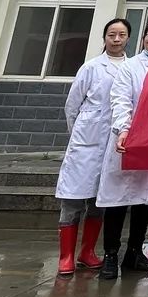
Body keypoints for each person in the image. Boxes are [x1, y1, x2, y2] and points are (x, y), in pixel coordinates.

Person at [96, 20, 148, 280]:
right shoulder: (129, 67)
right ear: (143, 38)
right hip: (128, 139)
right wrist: (124, 129)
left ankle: (135, 251)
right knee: (116, 200)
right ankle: (111, 254)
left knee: (144, 200)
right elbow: (120, 100)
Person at [54, 18, 130, 278]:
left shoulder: (131, 67)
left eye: (121, 35)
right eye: (112, 34)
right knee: (73, 199)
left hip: (113, 143)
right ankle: (65, 256)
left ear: (128, 38)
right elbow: (72, 106)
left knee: (100, 200)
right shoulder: (91, 67)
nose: (116, 39)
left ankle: (87, 252)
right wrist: (79, 134)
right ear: (104, 37)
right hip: (85, 143)